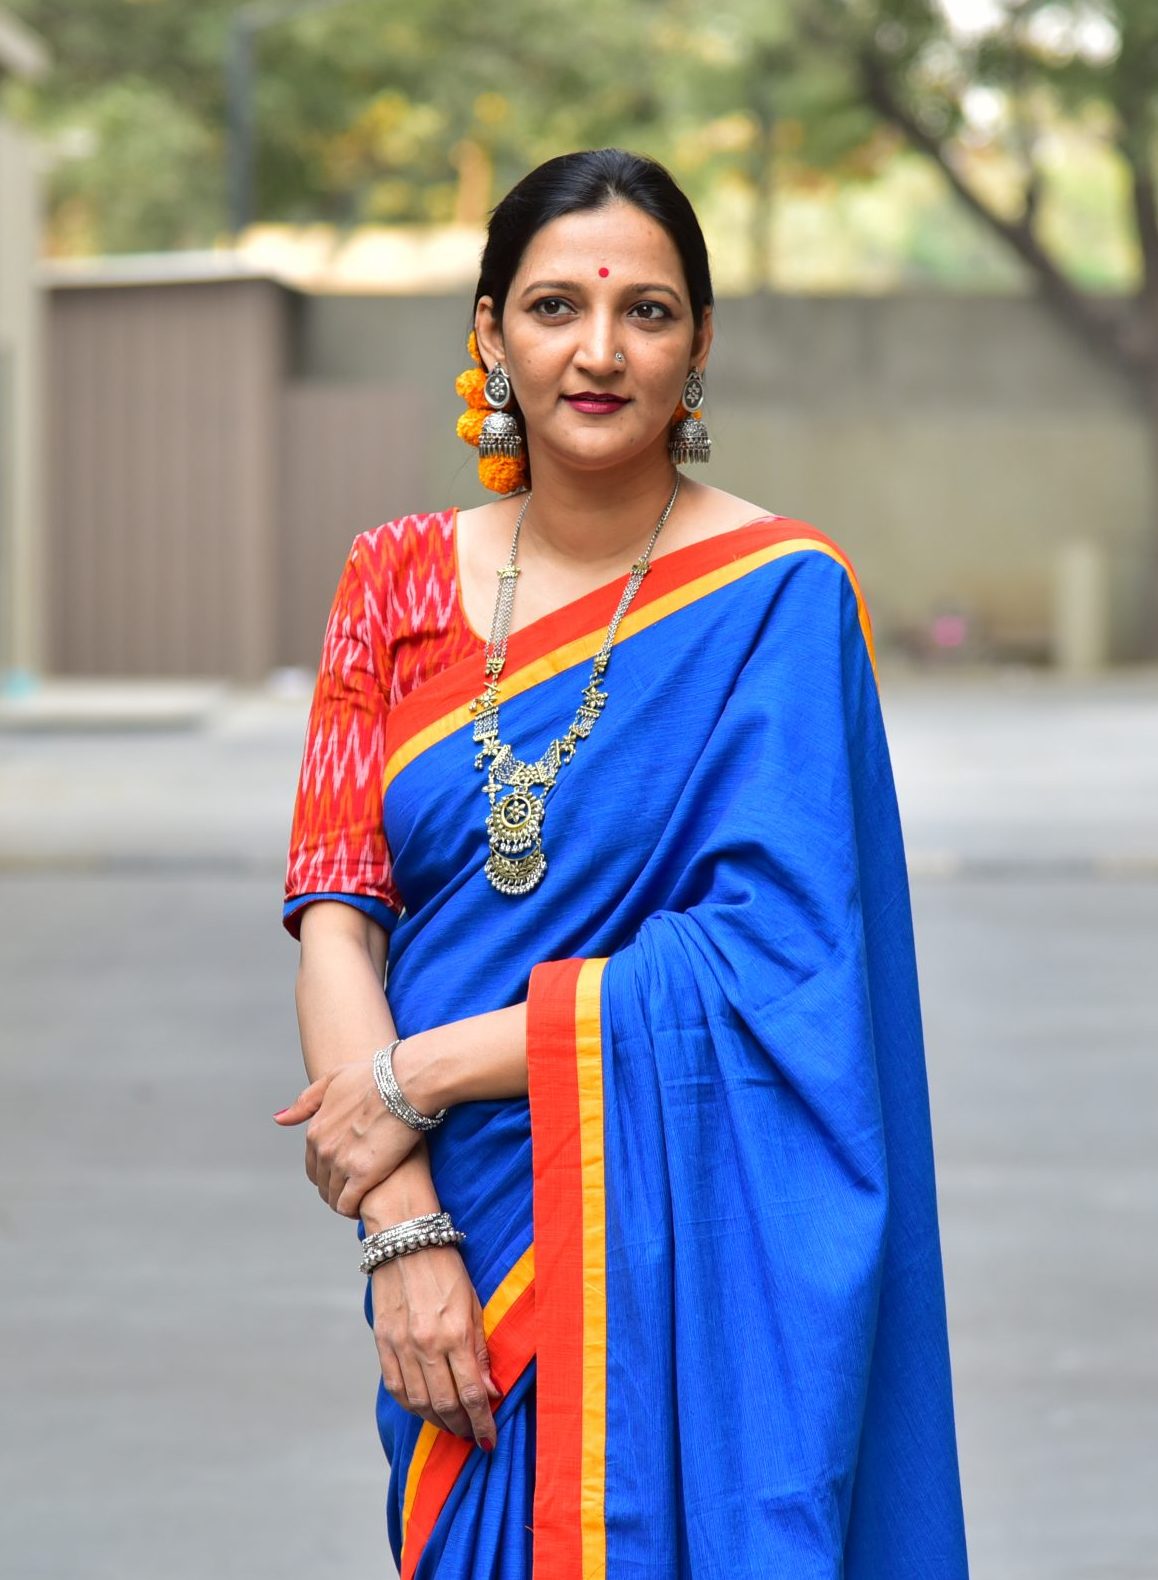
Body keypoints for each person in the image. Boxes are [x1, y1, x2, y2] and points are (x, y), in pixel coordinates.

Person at [274, 147, 970, 1579]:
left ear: (698, 345)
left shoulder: (778, 595)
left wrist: (433, 1067)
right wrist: (406, 1244)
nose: (597, 352)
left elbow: (777, 963)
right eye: (551, 308)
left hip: (692, 1244)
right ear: (487, 333)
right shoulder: (389, 581)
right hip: (461, 1234)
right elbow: (337, 917)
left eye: (646, 312)